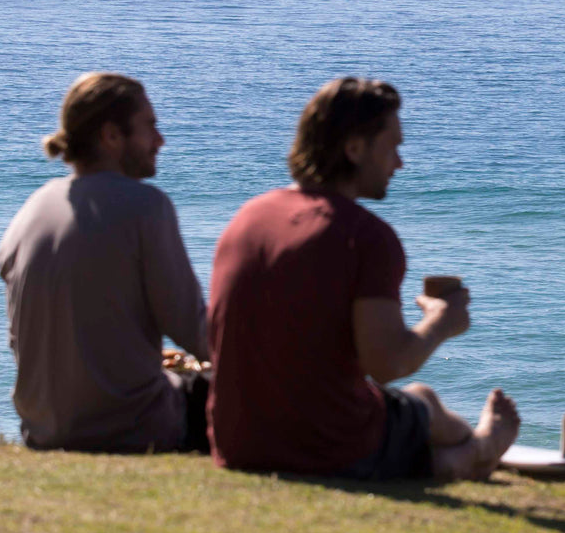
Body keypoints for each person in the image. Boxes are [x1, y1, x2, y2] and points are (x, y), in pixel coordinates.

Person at [207, 77, 519, 481]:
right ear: (354, 148)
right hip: (331, 449)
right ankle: (480, 451)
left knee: (416, 405)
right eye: (392, 147)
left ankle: (473, 446)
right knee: (423, 406)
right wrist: (444, 321)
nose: (400, 163)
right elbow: (388, 363)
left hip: (240, 443)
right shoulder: (365, 237)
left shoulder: (249, 216)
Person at [0, 72, 211, 453]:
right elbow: (194, 331)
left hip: (43, 430)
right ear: (112, 136)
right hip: (135, 428)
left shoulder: (30, 210)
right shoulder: (146, 207)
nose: (160, 141)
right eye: (150, 127)